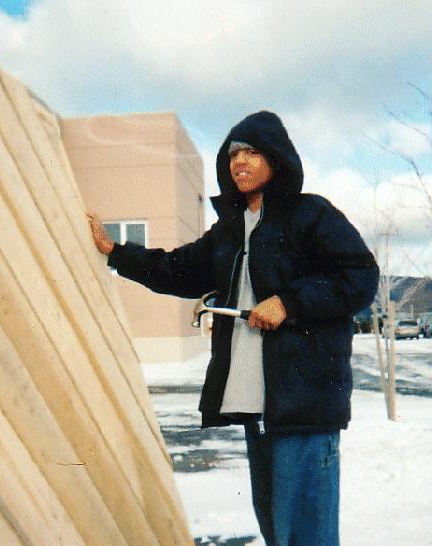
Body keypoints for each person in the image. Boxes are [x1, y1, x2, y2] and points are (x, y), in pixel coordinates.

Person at [87, 111, 378, 545]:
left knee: (307, 532)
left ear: (277, 159)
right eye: (233, 154)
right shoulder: (228, 230)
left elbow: (360, 277)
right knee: (277, 529)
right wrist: (116, 253)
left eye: (252, 152)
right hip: (255, 402)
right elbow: (177, 269)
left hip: (304, 403)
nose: (239, 161)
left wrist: (289, 301)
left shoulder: (310, 215)